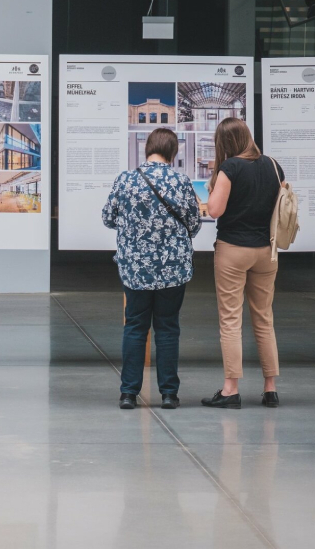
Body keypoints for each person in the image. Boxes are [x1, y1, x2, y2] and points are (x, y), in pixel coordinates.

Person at [102, 128, 201, 410]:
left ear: (148, 149)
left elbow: (108, 218)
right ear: (173, 152)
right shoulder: (181, 180)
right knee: (168, 328)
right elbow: (194, 224)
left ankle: (128, 394)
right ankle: (169, 394)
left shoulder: (126, 180)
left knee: (135, 327)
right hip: (173, 269)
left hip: (135, 269)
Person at [202, 118, 285, 409]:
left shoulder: (230, 168)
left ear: (224, 143)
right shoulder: (274, 166)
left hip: (233, 250)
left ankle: (231, 390)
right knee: (264, 318)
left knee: (231, 320)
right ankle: (270, 388)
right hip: (266, 250)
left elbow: (214, 210)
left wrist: (211, 187)